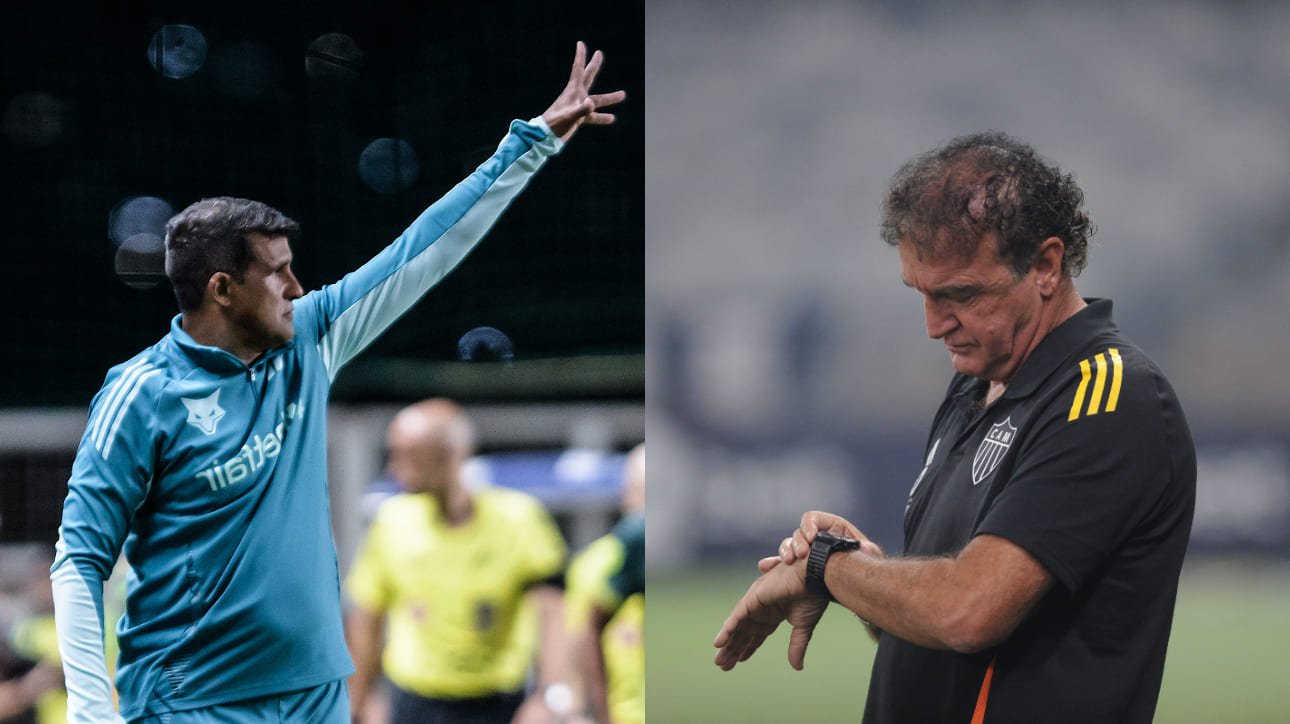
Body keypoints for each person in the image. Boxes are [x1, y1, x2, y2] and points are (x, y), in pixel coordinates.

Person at [50, 42, 625, 723]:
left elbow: (420, 252)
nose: (298, 286)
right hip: (194, 704)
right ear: (223, 289)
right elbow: (78, 560)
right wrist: (91, 712)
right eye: (278, 273)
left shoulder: (308, 341)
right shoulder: (141, 394)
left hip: (314, 696)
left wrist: (529, 146)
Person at [712, 132, 1196, 723]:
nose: (935, 325)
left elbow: (969, 612)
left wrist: (827, 566)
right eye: (922, 294)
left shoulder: (1110, 395)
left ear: (1046, 265)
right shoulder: (976, 385)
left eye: (961, 294)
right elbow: (945, 631)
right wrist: (865, 573)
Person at [344, 399, 569, 723]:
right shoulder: (392, 522)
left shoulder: (519, 519)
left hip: (497, 703)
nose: (394, 469)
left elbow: (555, 612)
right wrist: (360, 701)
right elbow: (368, 616)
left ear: (450, 455)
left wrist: (549, 695)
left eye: (408, 456)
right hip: (415, 702)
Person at [564, 443, 644, 724]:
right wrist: (578, 711)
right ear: (626, 496)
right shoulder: (591, 565)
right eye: (642, 493)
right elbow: (577, 642)